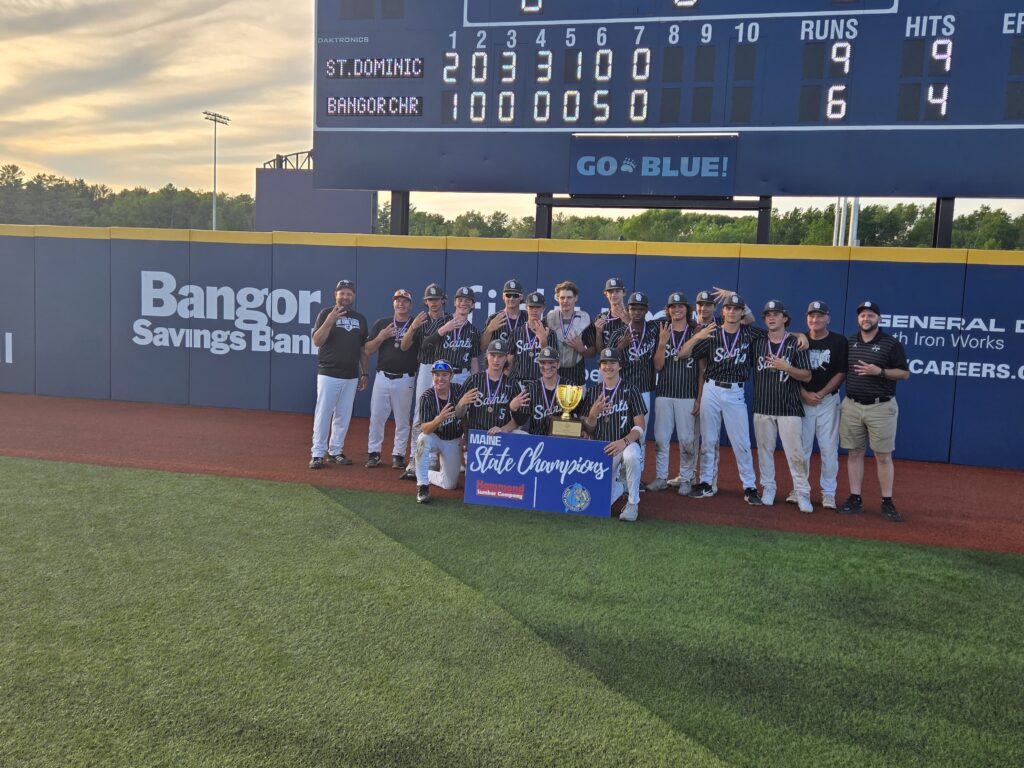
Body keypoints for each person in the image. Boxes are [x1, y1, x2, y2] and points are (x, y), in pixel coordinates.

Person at [679, 293, 765, 505]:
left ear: (742, 312)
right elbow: (682, 354)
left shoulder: (750, 332)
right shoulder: (712, 332)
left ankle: (750, 487)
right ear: (723, 311)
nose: (732, 312)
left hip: (735, 391)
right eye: (729, 308)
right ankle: (706, 483)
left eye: (737, 309)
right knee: (708, 440)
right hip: (712, 388)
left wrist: (798, 336)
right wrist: (698, 336)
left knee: (742, 442)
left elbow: (777, 333)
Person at [838, 300, 910, 522]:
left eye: (870, 315)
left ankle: (887, 501)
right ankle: (855, 498)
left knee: (883, 456)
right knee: (854, 453)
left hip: (881, 406)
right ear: (858, 318)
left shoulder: (891, 344)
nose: (866, 319)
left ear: (878, 318)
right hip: (852, 405)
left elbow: (904, 374)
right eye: (862, 315)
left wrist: (879, 371)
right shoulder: (850, 342)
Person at [751, 301, 813, 512]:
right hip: (763, 406)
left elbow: (807, 375)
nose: (771, 318)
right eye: (768, 314)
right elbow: (741, 323)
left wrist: (787, 367)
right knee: (764, 452)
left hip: (789, 407)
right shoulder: (758, 342)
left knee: (796, 454)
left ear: (785, 318)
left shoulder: (796, 342)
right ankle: (768, 488)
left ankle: (802, 492)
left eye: (776, 314)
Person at [577, 347, 648, 522]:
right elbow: (588, 430)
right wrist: (592, 415)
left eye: (612, 362)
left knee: (632, 455)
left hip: (625, 444)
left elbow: (640, 425)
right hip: (603, 450)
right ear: (599, 366)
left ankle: (632, 504)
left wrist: (624, 442)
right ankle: (621, 485)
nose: (608, 366)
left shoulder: (631, 390)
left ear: (620, 365)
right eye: (604, 363)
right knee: (596, 504)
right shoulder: (593, 392)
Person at [791, 300, 847, 509]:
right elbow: (791, 373)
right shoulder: (799, 341)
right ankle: (800, 489)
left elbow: (841, 372)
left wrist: (821, 394)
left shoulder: (838, 341)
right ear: (807, 318)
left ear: (828, 318)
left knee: (828, 449)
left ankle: (829, 493)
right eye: (812, 316)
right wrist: (805, 394)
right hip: (804, 400)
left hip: (828, 401)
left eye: (820, 316)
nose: (815, 319)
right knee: (802, 449)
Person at [308, 279, 368, 469]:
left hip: (350, 375)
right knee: (323, 414)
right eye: (342, 293)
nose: (345, 296)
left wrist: (365, 373)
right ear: (336, 295)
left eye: (349, 293)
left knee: (343, 415)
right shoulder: (325, 313)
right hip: (329, 373)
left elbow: (362, 349)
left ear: (354, 296)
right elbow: (317, 341)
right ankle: (317, 453)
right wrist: (330, 320)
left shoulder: (360, 319)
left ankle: (335, 451)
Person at [647, 292, 700, 496]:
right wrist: (662, 343)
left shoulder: (695, 332)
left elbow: (702, 370)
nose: (677, 309)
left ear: (687, 309)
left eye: (680, 306)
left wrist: (699, 397)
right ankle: (661, 477)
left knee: (687, 440)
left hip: (687, 394)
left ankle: (686, 479)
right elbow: (658, 365)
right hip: (665, 392)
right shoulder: (663, 330)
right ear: (668, 310)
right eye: (673, 307)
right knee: (661, 439)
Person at [399, 283, 452, 479]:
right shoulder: (420, 320)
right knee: (420, 414)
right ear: (425, 301)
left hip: (444, 370)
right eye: (430, 300)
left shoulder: (450, 320)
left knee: (444, 413)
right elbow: (404, 346)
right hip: (426, 367)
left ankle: (434, 461)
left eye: (436, 299)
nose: (433, 303)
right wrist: (412, 327)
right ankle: (415, 458)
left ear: (443, 300)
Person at [668, 288, 718, 491]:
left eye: (708, 304)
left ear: (715, 307)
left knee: (710, 439)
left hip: (713, 388)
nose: (704, 308)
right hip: (696, 389)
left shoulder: (720, 326)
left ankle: (711, 479)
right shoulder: (693, 327)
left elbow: (749, 321)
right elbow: (684, 356)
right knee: (692, 437)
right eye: (700, 304)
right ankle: (687, 475)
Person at [364, 289, 419, 468]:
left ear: (410, 304)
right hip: (383, 377)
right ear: (393, 303)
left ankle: (399, 455)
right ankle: (374, 453)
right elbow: (367, 350)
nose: (401, 304)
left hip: (405, 378)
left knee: (402, 420)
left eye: (405, 301)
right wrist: (380, 337)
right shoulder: (382, 323)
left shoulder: (415, 325)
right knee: (377, 417)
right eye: (398, 300)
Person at [413, 361, 478, 504]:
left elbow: (464, 416)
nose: (440, 378)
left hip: (452, 440)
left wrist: (466, 436)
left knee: (449, 485)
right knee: (422, 440)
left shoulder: (458, 390)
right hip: (434, 437)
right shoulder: (427, 396)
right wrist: (439, 419)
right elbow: (425, 429)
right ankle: (422, 486)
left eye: (444, 375)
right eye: (436, 375)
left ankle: (423, 473)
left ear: (451, 376)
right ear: (432, 376)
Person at [460, 338, 532, 435]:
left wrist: (504, 428)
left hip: (501, 436)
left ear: (506, 358)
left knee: (523, 435)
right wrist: (461, 404)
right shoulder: (473, 380)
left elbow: (520, 419)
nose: (496, 360)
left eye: (500, 356)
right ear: (487, 355)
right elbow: (459, 414)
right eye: (493, 355)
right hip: (477, 437)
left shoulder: (512, 384)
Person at [617, 291, 659, 432]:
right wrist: (620, 347)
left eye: (641, 309)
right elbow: (605, 360)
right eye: (633, 308)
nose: (637, 312)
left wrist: (692, 322)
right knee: (619, 430)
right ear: (628, 309)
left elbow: (676, 319)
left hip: (643, 390)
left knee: (641, 432)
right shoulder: (619, 333)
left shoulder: (654, 328)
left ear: (646, 310)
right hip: (622, 390)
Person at [545, 280, 593, 385]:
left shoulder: (584, 319)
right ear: (557, 298)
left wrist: (581, 349)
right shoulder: (548, 319)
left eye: (569, 297)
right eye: (562, 297)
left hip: (576, 378)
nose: (565, 301)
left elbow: (593, 352)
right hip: (552, 378)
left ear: (576, 298)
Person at [509, 291, 554, 381]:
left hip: (539, 382)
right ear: (526, 307)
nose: (535, 310)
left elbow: (553, 363)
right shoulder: (516, 332)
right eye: (531, 307)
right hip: (518, 382)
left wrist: (543, 341)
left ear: (543, 308)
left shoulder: (550, 333)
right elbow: (509, 360)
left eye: (538, 307)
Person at [524, 346, 564, 435]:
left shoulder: (570, 386)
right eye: (543, 362)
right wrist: (513, 408)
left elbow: (580, 416)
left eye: (551, 362)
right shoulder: (530, 388)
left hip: (562, 439)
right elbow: (521, 421)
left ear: (558, 364)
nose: (547, 367)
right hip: (536, 439)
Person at [480, 279, 526, 349]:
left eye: (515, 295)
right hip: (499, 356)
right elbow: (483, 347)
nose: (511, 298)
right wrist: (489, 329)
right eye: (508, 295)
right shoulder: (493, 318)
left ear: (521, 297)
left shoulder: (528, 317)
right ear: (503, 297)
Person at [594, 277, 630, 351]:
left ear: (624, 293)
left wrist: (629, 322)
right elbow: (600, 351)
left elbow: (642, 341)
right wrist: (598, 333)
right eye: (610, 292)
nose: (613, 295)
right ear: (606, 294)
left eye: (617, 291)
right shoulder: (600, 318)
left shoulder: (632, 315)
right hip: (608, 358)